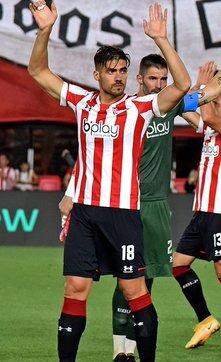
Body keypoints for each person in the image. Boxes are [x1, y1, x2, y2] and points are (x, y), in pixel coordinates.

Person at [55, 20, 221, 360]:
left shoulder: (166, 107)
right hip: (111, 202)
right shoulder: (123, 108)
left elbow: (212, 92)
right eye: (153, 79)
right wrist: (72, 190)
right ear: (139, 79)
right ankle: (122, 351)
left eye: (163, 79)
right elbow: (92, 155)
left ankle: (139, 347)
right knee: (111, 285)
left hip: (151, 204)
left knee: (141, 283)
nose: (160, 84)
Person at [28, 2, 192, 360]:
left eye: (122, 70)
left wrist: (162, 40)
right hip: (85, 215)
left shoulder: (141, 108)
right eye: (111, 71)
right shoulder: (82, 102)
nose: (118, 76)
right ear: (97, 74)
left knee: (135, 292)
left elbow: (183, 84)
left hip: (122, 214)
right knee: (75, 288)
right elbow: (38, 70)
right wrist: (45, 31)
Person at [172, 59, 221, 351]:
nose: (210, 103)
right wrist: (196, 87)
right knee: (179, 265)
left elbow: (201, 106)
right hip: (202, 213)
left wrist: (206, 87)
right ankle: (205, 319)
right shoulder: (208, 128)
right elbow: (184, 106)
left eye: (216, 100)